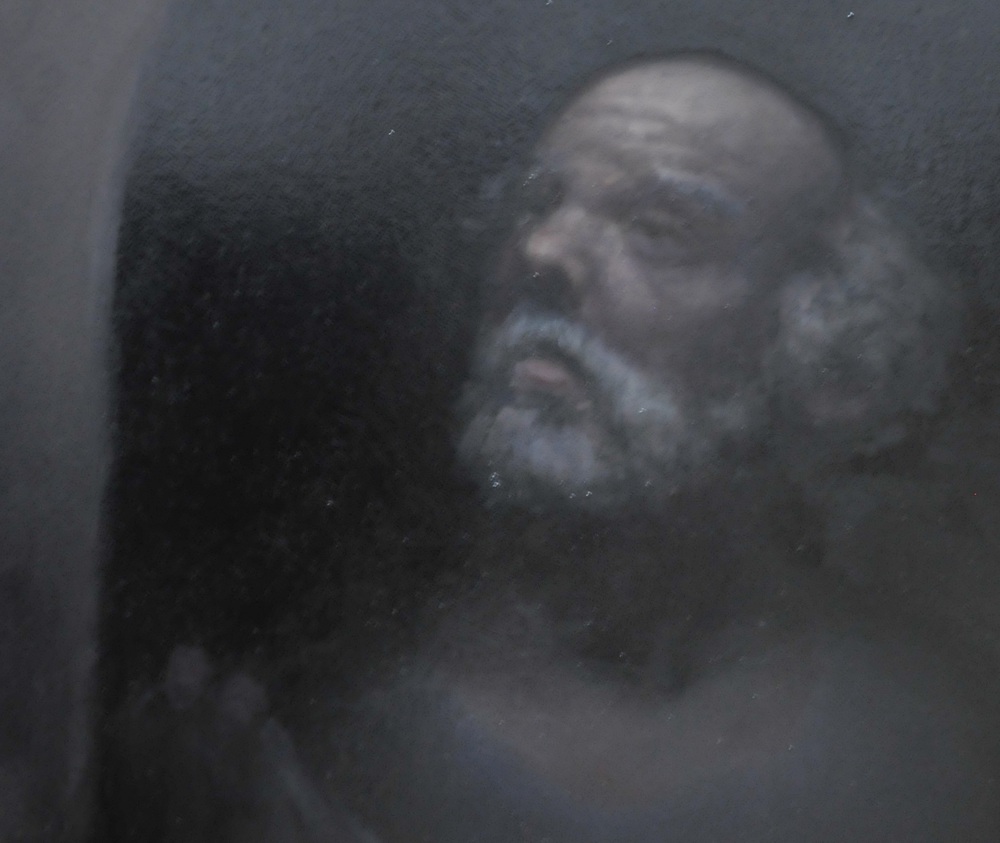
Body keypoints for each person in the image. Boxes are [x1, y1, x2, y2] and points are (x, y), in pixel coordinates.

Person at [111, 54, 998, 842]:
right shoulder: (297, 704)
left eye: (659, 229)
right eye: (536, 202)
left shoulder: (922, 743)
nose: (540, 250)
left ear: (822, 335)